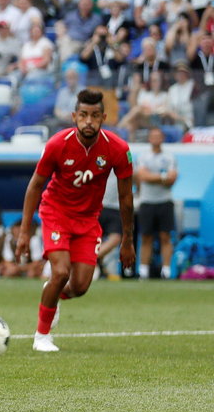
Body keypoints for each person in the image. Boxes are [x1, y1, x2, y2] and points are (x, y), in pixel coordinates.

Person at [16, 89, 135, 352]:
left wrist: (127, 239)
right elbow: (35, 185)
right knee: (61, 272)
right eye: (83, 115)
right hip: (56, 212)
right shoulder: (58, 144)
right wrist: (25, 231)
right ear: (74, 116)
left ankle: (52, 295)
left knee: (80, 287)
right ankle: (42, 336)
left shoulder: (118, 149)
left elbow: (126, 198)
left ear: (104, 117)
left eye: (94, 115)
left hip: (88, 220)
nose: (89, 121)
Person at [135, 127, 178, 280]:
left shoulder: (170, 156)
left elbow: (172, 179)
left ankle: (166, 271)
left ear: (162, 138)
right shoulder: (143, 156)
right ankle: (143, 271)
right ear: (149, 138)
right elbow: (143, 176)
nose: (155, 138)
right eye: (153, 136)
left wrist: (155, 177)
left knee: (165, 236)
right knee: (146, 237)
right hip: (147, 201)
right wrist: (162, 176)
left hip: (165, 201)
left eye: (158, 136)